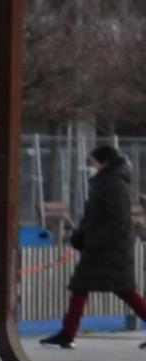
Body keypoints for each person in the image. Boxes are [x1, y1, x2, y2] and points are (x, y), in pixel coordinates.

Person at [40, 145, 145, 349]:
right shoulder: (107, 182)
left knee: (121, 290)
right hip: (106, 247)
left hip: (108, 249)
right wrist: (82, 235)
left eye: (93, 161)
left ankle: (67, 333)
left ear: (102, 161)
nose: (90, 166)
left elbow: (116, 219)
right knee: (92, 288)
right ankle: (67, 332)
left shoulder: (112, 184)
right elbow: (95, 216)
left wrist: (91, 239)